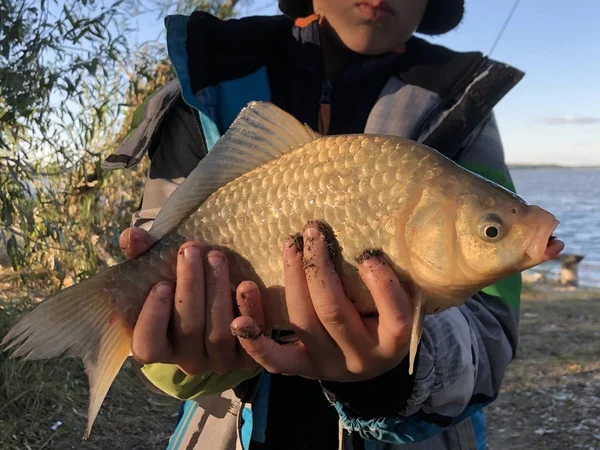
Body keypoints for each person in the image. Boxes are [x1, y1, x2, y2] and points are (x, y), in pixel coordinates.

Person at [102, 0, 525, 448]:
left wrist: (392, 374)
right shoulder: (205, 80)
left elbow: (492, 331)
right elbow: (163, 319)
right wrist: (178, 351)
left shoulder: (468, 104)